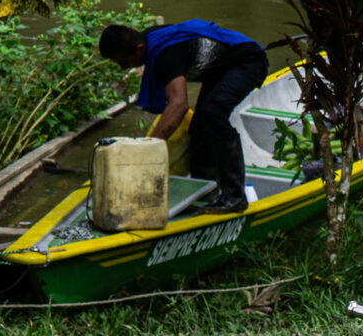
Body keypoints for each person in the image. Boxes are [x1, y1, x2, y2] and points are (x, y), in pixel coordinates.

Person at [98, 21, 270, 214]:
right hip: (219, 69)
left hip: (247, 61)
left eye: (124, 62)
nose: (123, 67)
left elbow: (179, 104)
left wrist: (148, 146)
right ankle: (207, 191)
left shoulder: (165, 53)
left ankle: (234, 197)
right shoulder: (150, 41)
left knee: (213, 115)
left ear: (139, 49)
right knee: (200, 125)